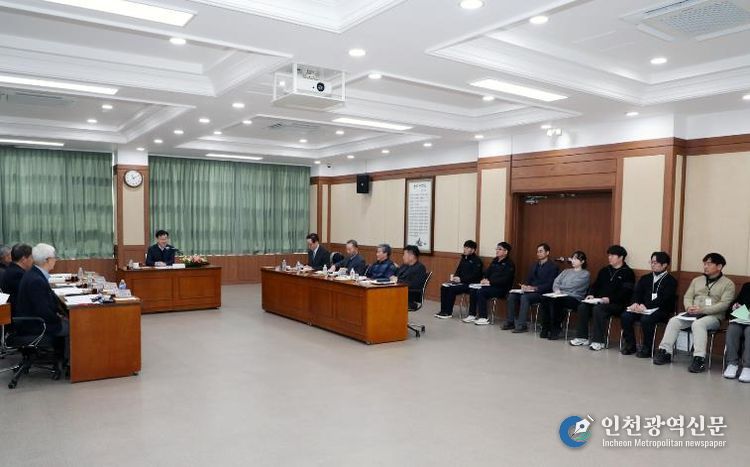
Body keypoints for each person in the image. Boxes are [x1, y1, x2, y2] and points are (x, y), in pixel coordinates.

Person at [653, 253, 735, 373]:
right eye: (704, 264)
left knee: (698, 324)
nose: (705, 266)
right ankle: (665, 352)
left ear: (719, 266)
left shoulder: (728, 284)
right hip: (692, 314)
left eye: (709, 264)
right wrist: (689, 307)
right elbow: (688, 297)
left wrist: (703, 310)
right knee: (674, 321)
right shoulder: (697, 280)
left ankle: (699, 359)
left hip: (712, 317)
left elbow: (724, 304)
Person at [570, 245, 635, 351]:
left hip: (617, 304)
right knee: (583, 306)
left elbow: (626, 293)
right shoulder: (605, 270)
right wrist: (591, 294)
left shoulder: (628, 273)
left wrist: (609, 299)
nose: (609, 257)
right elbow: (595, 285)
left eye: (612, 255)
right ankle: (582, 337)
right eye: (609, 255)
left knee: (598, 309)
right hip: (599, 301)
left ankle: (598, 341)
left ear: (621, 257)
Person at [15, 243, 68, 361]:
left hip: (33, 320)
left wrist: (60, 313)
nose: (55, 260)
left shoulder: (34, 273)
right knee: (75, 327)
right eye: (54, 258)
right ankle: (69, 363)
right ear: (47, 260)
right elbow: (44, 311)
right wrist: (60, 317)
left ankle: (64, 359)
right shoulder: (36, 280)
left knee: (69, 321)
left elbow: (46, 303)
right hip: (36, 325)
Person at [620, 252, 677, 358]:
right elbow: (637, 293)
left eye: (655, 262)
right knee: (625, 316)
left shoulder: (671, 281)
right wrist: (636, 303)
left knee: (646, 319)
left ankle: (647, 348)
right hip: (642, 308)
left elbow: (664, 299)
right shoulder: (645, 278)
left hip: (661, 310)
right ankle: (630, 345)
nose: (652, 265)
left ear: (664, 265)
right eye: (651, 262)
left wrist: (647, 306)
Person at [502, 243, 559, 333]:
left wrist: (535, 288)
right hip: (530, 291)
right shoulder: (534, 265)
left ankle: (522, 325)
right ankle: (510, 322)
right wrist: (525, 286)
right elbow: (528, 279)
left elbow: (550, 284)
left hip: (542, 292)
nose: (538, 253)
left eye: (541, 251)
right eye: (537, 252)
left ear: (547, 253)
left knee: (525, 297)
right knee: (512, 295)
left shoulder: (553, 267)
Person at [539, 250, 590, 340]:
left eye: (576, 259)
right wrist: (556, 289)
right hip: (559, 294)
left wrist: (561, 289)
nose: (573, 261)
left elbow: (573, 286)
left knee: (557, 301)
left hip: (574, 298)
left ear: (582, 261)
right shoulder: (566, 271)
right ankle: (545, 327)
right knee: (544, 299)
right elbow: (556, 281)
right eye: (572, 258)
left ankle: (555, 328)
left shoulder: (585, 274)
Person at [462, 242, 515, 326]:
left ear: (506, 252)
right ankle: (472, 314)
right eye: (497, 249)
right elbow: (487, 272)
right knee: (473, 289)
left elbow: (505, 280)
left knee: (481, 292)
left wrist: (490, 282)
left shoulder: (509, 264)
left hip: (502, 288)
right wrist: (484, 279)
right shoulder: (495, 261)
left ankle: (483, 317)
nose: (497, 251)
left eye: (500, 249)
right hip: (490, 286)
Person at [434, 240, 483, 319]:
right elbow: (458, 270)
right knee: (444, 287)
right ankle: (443, 310)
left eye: (467, 248)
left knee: (452, 289)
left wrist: (461, 279)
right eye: (464, 247)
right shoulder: (463, 258)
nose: (465, 249)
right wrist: (455, 277)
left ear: (473, 250)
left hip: (470, 284)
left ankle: (448, 312)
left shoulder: (477, 261)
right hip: (461, 282)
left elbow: (475, 276)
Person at [723, 282, 750, 382]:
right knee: (732, 328)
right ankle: (732, 363)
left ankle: (747, 367)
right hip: (743, 319)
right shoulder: (747, 286)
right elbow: (738, 302)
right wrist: (735, 306)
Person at [392, 245, 428, 309]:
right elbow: (398, 275)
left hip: (409, 296)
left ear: (411, 256)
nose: (403, 257)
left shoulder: (420, 268)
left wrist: (397, 280)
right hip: (398, 292)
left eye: (404, 255)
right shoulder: (404, 265)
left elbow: (414, 284)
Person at [0, 243, 33, 309]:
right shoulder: (17, 274)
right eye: (31, 257)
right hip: (19, 311)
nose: (33, 260)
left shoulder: (12, 269)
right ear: (23, 259)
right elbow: (29, 295)